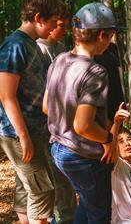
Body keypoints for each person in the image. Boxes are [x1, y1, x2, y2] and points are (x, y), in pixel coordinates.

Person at [43, 2, 128, 223]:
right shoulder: (94, 71)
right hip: (84, 157)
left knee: (88, 203)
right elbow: (83, 126)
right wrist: (109, 139)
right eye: (110, 36)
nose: (110, 42)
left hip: (59, 151)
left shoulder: (60, 59)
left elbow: (46, 107)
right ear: (102, 35)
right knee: (99, 213)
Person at [0, 0, 66, 224]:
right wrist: (23, 135)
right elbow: (6, 95)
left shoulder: (30, 44)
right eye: (51, 23)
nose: (53, 29)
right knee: (42, 189)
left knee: (31, 186)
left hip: (35, 130)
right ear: (38, 17)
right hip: (18, 132)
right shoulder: (14, 45)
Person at [37, 15, 77, 224]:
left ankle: (65, 216)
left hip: (62, 122)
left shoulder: (61, 48)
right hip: (42, 121)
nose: (64, 30)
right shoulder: (37, 49)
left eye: (66, 26)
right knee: (48, 176)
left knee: (63, 173)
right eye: (60, 25)